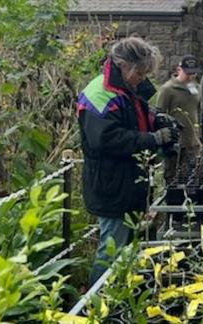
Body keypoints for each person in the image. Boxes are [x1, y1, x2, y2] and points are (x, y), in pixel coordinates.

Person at [78, 37, 179, 286]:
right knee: (110, 248)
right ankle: (94, 305)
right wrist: (152, 138)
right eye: (140, 73)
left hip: (128, 182)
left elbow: (136, 117)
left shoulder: (126, 90)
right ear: (124, 66)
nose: (142, 79)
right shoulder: (100, 94)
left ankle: (118, 293)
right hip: (111, 183)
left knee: (125, 246)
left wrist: (158, 120)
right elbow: (108, 140)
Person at [156, 55, 202, 183]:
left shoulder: (197, 88)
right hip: (175, 142)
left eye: (193, 73)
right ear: (178, 70)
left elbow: (198, 111)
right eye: (188, 73)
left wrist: (199, 135)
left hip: (193, 141)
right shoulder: (167, 89)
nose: (191, 76)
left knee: (191, 176)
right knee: (172, 176)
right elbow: (159, 114)